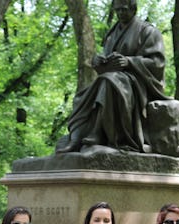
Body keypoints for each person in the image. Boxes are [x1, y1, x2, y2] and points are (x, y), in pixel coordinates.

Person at [57, 0, 171, 154]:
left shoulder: (148, 32)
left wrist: (129, 61)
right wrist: (99, 61)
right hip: (114, 79)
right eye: (117, 10)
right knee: (83, 95)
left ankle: (97, 132)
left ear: (133, 9)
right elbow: (107, 59)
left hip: (137, 84)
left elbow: (157, 63)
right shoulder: (112, 33)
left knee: (108, 82)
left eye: (124, 10)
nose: (120, 14)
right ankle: (77, 136)